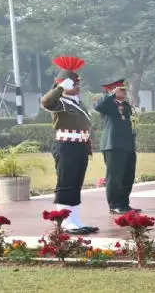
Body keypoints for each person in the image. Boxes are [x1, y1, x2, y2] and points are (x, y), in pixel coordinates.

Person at [40, 56, 98, 235]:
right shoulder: (61, 102)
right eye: (74, 83)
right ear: (65, 85)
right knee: (66, 183)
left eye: (77, 83)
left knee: (75, 184)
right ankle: (64, 221)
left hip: (79, 147)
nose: (78, 86)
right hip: (66, 147)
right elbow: (46, 102)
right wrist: (59, 88)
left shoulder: (77, 102)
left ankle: (74, 220)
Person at [94, 79, 140, 215]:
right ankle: (114, 205)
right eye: (122, 89)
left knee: (128, 176)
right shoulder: (108, 103)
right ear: (113, 91)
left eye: (125, 89)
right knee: (115, 177)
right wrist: (110, 95)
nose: (125, 92)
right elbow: (98, 106)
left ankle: (124, 204)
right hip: (113, 145)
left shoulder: (126, 105)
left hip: (128, 145)